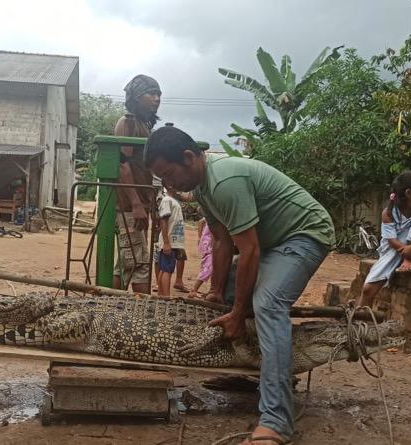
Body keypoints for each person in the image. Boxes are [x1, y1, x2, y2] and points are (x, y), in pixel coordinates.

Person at [144, 126, 335, 445]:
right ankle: (251, 373)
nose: (168, 185)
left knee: (267, 304)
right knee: (230, 298)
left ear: (189, 158)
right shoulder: (203, 187)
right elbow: (221, 240)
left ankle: (276, 420)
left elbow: (250, 251)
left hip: (305, 235)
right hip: (273, 242)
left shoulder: (225, 181)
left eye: (168, 174)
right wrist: (218, 292)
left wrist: (237, 312)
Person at [358, 170, 411, 308]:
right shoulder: (389, 213)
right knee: (368, 290)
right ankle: (359, 322)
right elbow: (391, 241)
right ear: (409, 193)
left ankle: (410, 259)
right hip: (393, 251)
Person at [112, 74, 162, 293]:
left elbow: (145, 171)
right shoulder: (128, 123)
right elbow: (122, 164)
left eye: (159, 94)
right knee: (137, 263)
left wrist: (150, 205)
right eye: (151, 93)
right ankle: (145, 312)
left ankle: (110, 303)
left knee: (127, 261)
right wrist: (136, 204)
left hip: (138, 204)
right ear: (137, 97)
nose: (157, 98)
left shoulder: (143, 125)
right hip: (128, 206)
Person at [155, 183, 186, 297]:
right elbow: (163, 221)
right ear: (169, 185)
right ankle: (166, 296)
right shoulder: (167, 200)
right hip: (170, 242)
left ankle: (161, 295)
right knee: (167, 269)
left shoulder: (172, 200)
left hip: (172, 242)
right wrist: (167, 243)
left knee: (164, 269)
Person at [188, 216, 214, 300]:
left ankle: (212, 290)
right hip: (210, 246)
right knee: (208, 268)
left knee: (212, 267)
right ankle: (194, 290)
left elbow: (200, 221)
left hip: (208, 244)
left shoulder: (212, 213)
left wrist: (200, 237)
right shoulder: (216, 214)